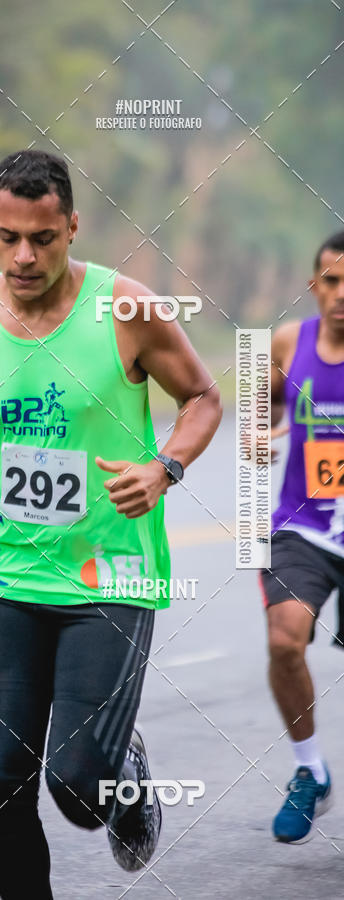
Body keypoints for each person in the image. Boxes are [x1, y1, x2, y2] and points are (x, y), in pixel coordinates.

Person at [0, 149, 222, 897]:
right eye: (7, 238)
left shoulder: (124, 310)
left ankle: (120, 769)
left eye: (42, 238)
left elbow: (202, 398)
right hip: (6, 576)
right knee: (1, 783)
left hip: (109, 581)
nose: (23, 256)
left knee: (76, 787)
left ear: (71, 227)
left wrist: (165, 469)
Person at [261, 229, 344, 844]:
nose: (341, 295)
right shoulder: (289, 342)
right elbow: (253, 403)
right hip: (303, 527)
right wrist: (256, 437)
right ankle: (310, 771)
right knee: (285, 641)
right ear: (315, 285)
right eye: (332, 281)